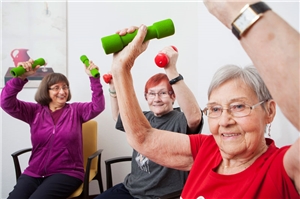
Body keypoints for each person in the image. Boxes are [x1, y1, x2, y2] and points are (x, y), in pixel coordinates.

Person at [107, 1, 299, 198]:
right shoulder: (207, 149)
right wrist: (121, 68)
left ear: (269, 111)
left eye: (239, 106)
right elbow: (143, 139)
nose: (225, 121)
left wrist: (237, 10)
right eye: (215, 109)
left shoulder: (284, 169)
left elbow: (191, 117)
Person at [95, 46, 203, 199]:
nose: (156, 99)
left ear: (173, 97)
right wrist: (113, 89)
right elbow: (119, 115)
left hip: (162, 196)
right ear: (146, 97)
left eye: (163, 93)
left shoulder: (179, 119)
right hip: (131, 189)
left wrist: (171, 69)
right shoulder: (143, 118)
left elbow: (195, 117)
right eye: (151, 94)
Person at [0, 59, 105, 199]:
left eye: (65, 87)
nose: (62, 91)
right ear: (46, 90)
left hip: (67, 172)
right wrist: (21, 78)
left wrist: (93, 78)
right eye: (56, 87)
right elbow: (6, 102)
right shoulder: (34, 111)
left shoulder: (76, 110)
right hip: (34, 171)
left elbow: (98, 106)